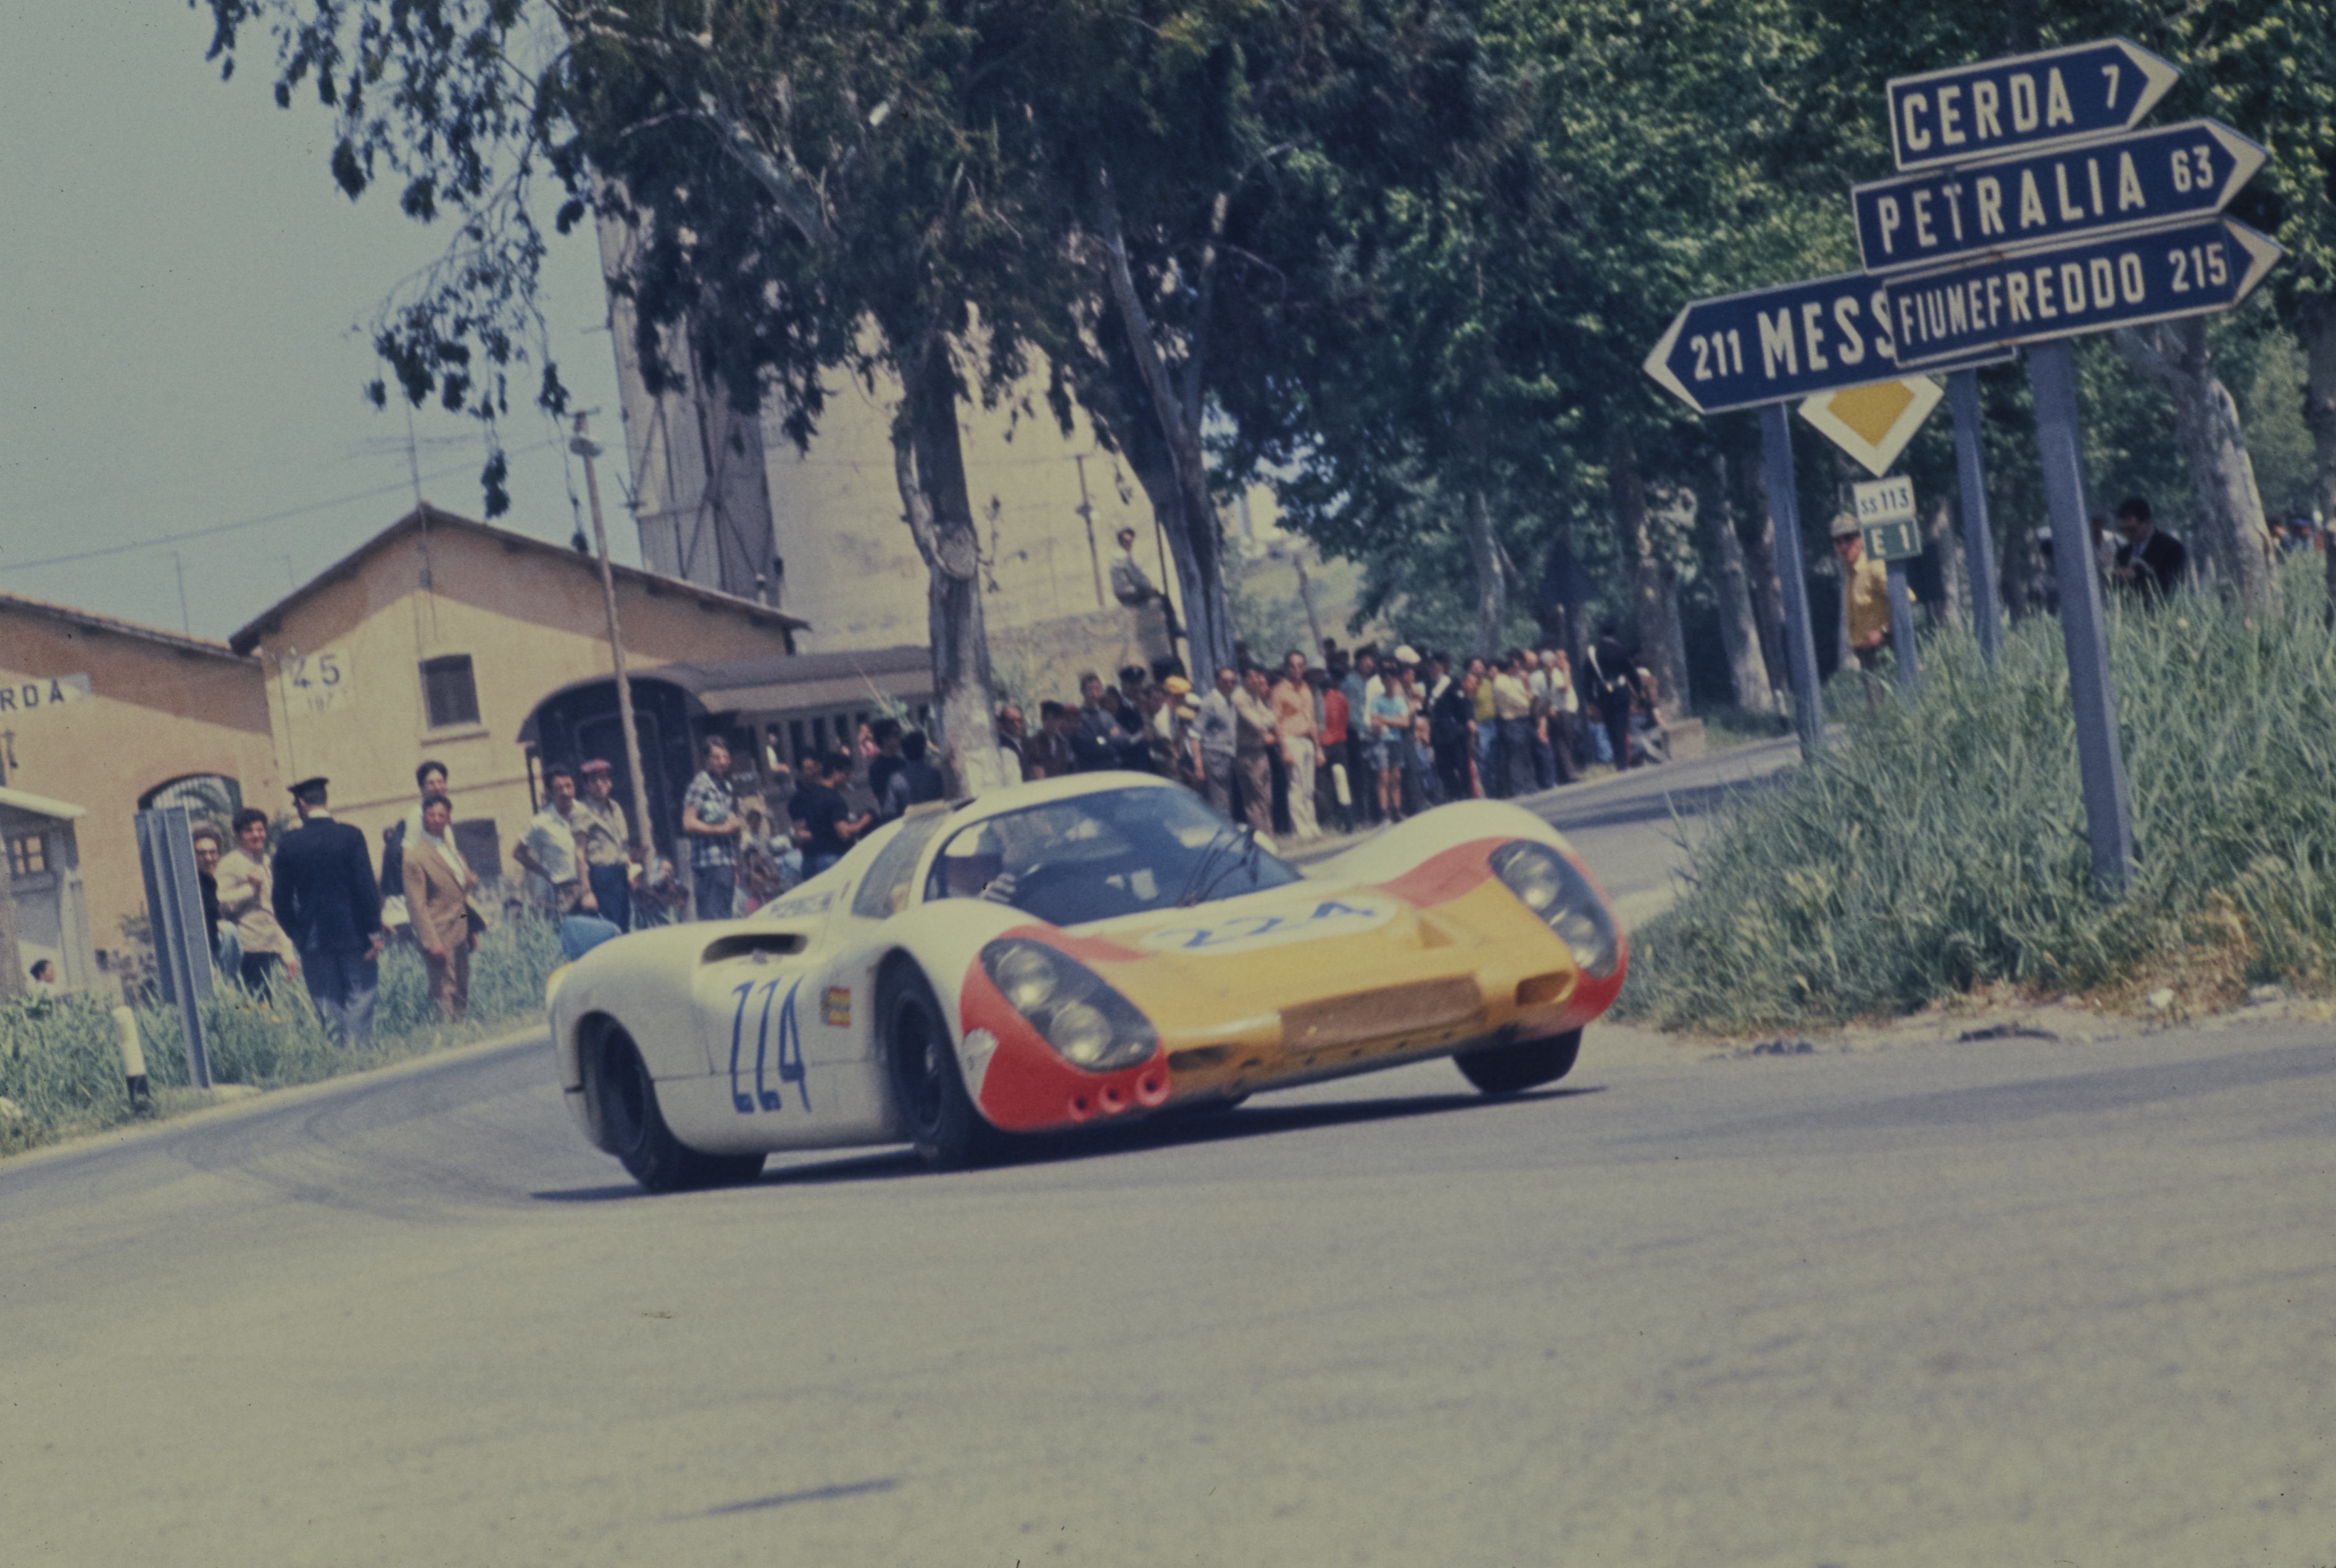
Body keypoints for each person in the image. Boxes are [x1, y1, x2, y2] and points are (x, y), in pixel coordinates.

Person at [270, 778, 384, 1048]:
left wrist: (295, 931)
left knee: (325, 996)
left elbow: (280, 898)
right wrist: (374, 932)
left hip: (312, 935)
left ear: (301, 803)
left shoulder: (289, 844)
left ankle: (338, 1052)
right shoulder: (351, 836)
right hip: (354, 932)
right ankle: (358, 1052)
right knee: (361, 992)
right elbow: (366, 887)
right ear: (325, 800)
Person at [402, 790, 481, 1024]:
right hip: (438, 931)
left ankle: (461, 1029)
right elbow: (416, 905)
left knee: (462, 983)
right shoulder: (415, 858)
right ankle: (444, 1032)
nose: (437, 819)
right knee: (445, 988)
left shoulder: (453, 852)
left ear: (448, 819)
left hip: (460, 928)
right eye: (432, 815)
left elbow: (462, 898)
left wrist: (472, 929)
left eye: (442, 815)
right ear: (424, 819)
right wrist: (430, 940)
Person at [215, 808, 299, 998]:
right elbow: (218, 902)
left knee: (277, 1004)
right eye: (249, 831)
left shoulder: (266, 861)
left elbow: (273, 908)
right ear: (237, 836)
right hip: (248, 948)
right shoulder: (230, 863)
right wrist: (250, 890)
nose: (257, 835)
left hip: (271, 945)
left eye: (260, 830)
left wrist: (287, 950)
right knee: (253, 1004)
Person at [378, 759, 448, 937]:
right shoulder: (419, 819)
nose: (437, 787)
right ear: (422, 788)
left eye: (441, 782)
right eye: (431, 783)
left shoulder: (439, 819)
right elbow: (409, 860)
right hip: (416, 913)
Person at [515, 763, 596, 918]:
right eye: (559, 788)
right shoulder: (541, 822)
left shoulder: (586, 812)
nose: (565, 792)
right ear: (550, 792)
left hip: (595, 882)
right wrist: (545, 873)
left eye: (569, 786)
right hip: (567, 890)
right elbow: (518, 853)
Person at [678, 737, 745, 921]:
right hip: (709, 863)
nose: (722, 762)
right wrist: (722, 830)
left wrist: (737, 864)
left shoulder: (725, 786)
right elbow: (688, 823)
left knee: (726, 917)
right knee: (713, 918)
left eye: (725, 757)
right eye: (716, 757)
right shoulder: (701, 784)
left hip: (726, 862)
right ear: (707, 759)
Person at [1833, 515, 1897, 681]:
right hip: (1866, 656)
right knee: (1877, 707)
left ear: (1861, 538)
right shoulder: (1851, 577)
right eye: (1837, 542)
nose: (1844, 546)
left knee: (1896, 703)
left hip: (1887, 651)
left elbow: (1904, 599)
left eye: (1848, 538)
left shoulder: (1874, 567)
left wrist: (1883, 632)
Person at [573, 760, 633, 932]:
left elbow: (622, 845)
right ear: (586, 786)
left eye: (603, 779)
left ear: (610, 782)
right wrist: (587, 892)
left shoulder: (615, 808)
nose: (600, 784)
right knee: (610, 928)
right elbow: (579, 852)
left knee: (625, 927)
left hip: (620, 874)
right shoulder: (582, 811)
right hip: (602, 876)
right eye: (593, 781)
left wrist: (631, 872)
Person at [789, 752, 871, 878]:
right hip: (831, 859)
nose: (848, 778)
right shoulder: (833, 799)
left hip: (810, 861)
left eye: (816, 767)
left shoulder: (810, 798)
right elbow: (844, 833)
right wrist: (866, 820)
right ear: (836, 773)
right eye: (847, 773)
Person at [1269, 651, 1322, 842]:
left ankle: (1312, 825)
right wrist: (1284, 749)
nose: (1297, 669)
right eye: (1293, 666)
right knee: (1296, 786)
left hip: (1307, 739)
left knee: (1308, 787)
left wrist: (1318, 748)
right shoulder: (1279, 691)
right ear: (1287, 667)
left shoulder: (1307, 688)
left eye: (1301, 665)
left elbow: (1312, 719)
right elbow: (1275, 722)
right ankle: (1299, 830)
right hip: (1290, 740)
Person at [1231, 665, 1279, 839]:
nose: (1257, 681)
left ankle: (1269, 837)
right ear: (1243, 679)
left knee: (1266, 799)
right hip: (1247, 754)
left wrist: (1266, 720)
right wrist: (1267, 721)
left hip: (1259, 752)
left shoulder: (1254, 697)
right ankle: (1262, 840)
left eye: (1258, 677)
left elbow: (1272, 718)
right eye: (1252, 677)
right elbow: (1258, 724)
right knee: (1255, 802)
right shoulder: (1239, 698)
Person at [2113, 496, 2188, 599]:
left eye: (2132, 530)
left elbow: (2172, 587)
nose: (2127, 535)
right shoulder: (2122, 554)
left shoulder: (2172, 548)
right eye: (2123, 530)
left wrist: (2137, 576)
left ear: (2146, 523)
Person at [1584, 624, 1637, 771]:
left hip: (1603, 694)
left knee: (1611, 727)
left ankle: (1618, 761)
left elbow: (1587, 680)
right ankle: (1622, 761)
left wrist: (1591, 700)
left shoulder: (1593, 654)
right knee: (1621, 727)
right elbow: (1630, 672)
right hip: (1620, 692)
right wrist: (1637, 689)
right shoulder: (1620, 649)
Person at [1365, 661, 1412, 823]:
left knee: (1396, 777)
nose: (1390, 680)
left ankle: (1397, 810)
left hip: (1396, 742)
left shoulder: (1399, 701)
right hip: (1381, 743)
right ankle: (1384, 813)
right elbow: (1374, 723)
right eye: (1386, 678)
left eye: (1393, 677)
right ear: (1383, 681)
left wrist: (1384, 719)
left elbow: (1405, 722)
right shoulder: (1377, 701)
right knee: (1383, 777)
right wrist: (1394, 720)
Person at [1197, 666, 1241, 818]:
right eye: (1225, 682)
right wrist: (1198, 764)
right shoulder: (1209, 703)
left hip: (1229, 756)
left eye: (1233, 682)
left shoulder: (1229, 702)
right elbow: (1194, 734)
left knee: (1228, 799)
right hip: (1214, 756)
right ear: (1216, 682)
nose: (1230, 685)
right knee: (1219, 799)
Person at [1490, 652, 1536, 798]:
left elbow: (1528, 695)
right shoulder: (1501, 683)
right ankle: (1519, 787)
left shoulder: (1514, 681)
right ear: (1509, 668)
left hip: (1523, 720)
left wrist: (1526, 685)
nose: (1518, 669)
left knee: (1525, 754)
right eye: (1515, 666)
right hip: (1511, 722)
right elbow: (1523, 702)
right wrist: (1529, 702)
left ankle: (1530, 784)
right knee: (1515, 756)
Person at [1313, 666, 1352, 832]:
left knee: (1327, 785)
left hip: (1327, 744)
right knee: (1339, 782)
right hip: (1336, 744)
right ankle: (1344, 818)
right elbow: (1346, 719)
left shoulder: (1317, 699)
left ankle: (1335, 819)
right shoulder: (1339, 697)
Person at [1072, 671, 1131, 773]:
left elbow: (1125, 738)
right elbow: (1090, 744)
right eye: (1090, 689)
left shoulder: (1106, 715)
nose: (1094, 694)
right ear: (1083, 692)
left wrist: (1103, 739)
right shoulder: (1079, 717)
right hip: (1093, 769)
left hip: (1114, 767)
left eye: (1097, 689)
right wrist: (1109, 737)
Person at [883, 732, 947, 817]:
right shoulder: (935, 775)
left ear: (905, 752)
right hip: (936, 821)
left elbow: (890, 812)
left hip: (910, 825)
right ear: (923, 750)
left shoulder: (896, 780)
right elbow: (941, 801)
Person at [189, 826, 225, 964]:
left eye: (213, 852)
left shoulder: (210, 882)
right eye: (201, 853)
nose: (209, 858)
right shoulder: (193, 885)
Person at [1108, 525, 1161, 608]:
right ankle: (1172, 620)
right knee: (1160, 597)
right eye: (1126, 542)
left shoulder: (1115, 556)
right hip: (1129, 593)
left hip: (1120, 595)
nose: (1129, 544)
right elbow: (1136, 578)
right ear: (1121, 542)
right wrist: (1150, 586)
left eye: (1131, 542)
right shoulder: (1124, 556)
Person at [1024, 700, 1076, 781]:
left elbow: (1070, 767)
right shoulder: (1034, 743)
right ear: (1043, 720)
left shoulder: (1064, 743)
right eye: (1049, 719)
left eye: (1056, 719)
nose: (1052, 723)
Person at [866, 718, 907, 810]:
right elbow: (882, 796)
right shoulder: (876, 769)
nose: (900, 738)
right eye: (896, 735)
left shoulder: (903, 763)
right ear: (885, 739)